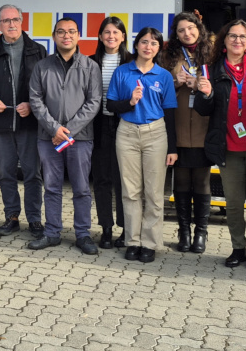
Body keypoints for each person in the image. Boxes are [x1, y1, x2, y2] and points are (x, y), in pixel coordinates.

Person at [195, 20, 246, 270]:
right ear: (223, 41)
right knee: (234, 202)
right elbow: (204, 110)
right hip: (228, 146)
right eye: (232, 36)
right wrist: (204, 94)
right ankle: (238, 248)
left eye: (242, 37)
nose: (237, 40)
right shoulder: (211, 70)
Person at [28, 18, 102, 254]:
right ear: (54, 36)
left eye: (71, 32)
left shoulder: (90, 67)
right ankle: (52, 233)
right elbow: (35, 100)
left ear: (78, 36)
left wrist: (68, 130)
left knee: (81, 188)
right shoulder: (42, 66)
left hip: (79, 139)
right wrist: (54, 129)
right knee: (51, 187)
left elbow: (94, 103)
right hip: (48, 138)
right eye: (61, 32)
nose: (66, 36)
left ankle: (82, 235)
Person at [106, 27, 178, 263]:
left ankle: (150, 242)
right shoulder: (122, 72)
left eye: (154, 43)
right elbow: (111, 106)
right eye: (145, 42)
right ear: (136, 45)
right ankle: (133, 241)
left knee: (154, 192)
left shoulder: (164, 76)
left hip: (156, 134)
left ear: (159, 48)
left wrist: (172, 148)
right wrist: (131, 101)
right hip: (126, 132)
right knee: (130, 191)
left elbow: (170, 113)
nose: (149, 47)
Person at [0, 4, 47, 239]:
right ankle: (11, 216)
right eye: (6, 21)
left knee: (33, 174)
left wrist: (32, 105)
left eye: (15, 19)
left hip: (30, 125)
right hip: (1, 125)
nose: (11, 24)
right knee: (6, 173)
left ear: (22, 22)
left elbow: (47, 87)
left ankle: (35, 219)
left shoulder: (38, 51)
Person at [163, 11, 215, 254]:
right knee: (181, 181)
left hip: (205, 127)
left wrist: (201, 85)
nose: (187, 33)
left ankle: (201, 233)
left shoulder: (213, 53)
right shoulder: (167, 55)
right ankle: (183, 231)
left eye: (191, 28)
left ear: (199, 28)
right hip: (179, 125)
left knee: (202, 182)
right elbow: (158, 88)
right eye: (181, 30)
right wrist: (176, 82)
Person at [90, 16, 130, 249]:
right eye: (107, 32)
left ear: (123, 37)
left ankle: (127, 228)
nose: (111, 36)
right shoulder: (90, 61)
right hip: (98, 126)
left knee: (124, 180)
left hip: (125, 125)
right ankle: (106, 227)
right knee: (102, 180)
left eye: (116, 32)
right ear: (100, 36)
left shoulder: (132, 62)